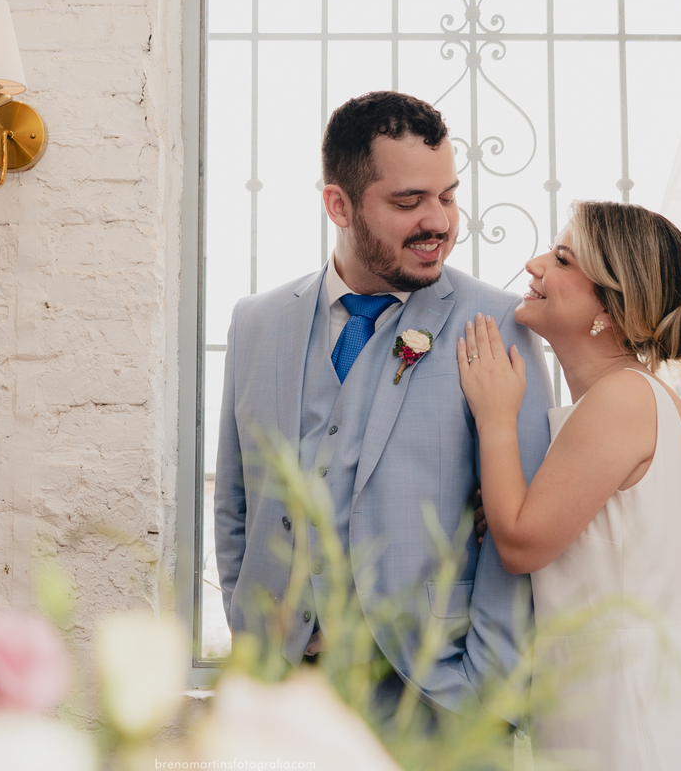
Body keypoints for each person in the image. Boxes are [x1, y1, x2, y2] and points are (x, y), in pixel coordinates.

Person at [212, 90, 554, 725]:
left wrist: (487, 691)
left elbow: (520, 528)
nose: (440, 222)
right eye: (408, 202)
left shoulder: (499, 323)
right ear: (338, 204)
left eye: (448, 196)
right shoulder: (255, 323)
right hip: (282, 692)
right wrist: (248, 633)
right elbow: (237, 502)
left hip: (436, 697)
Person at [457, 200, 681, 768]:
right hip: (608, 702)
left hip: (632, 716)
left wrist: (495, 415)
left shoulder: (624, 397)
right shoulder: (623, 399)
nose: (535, 264)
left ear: (607, 308)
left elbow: (519, 545)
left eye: (562, 259)